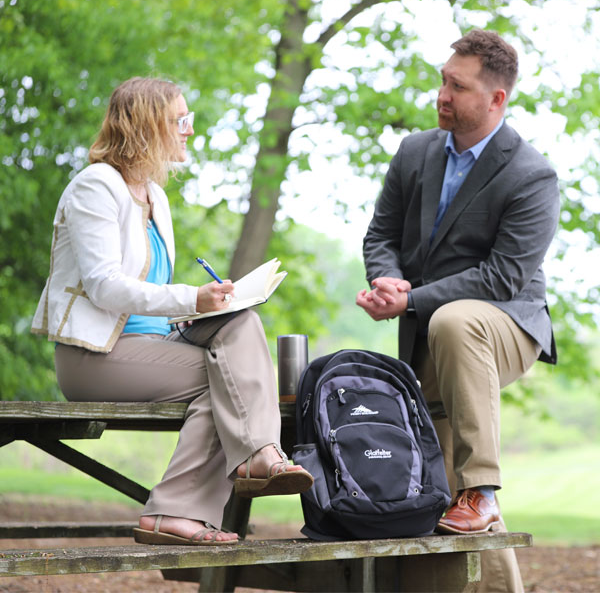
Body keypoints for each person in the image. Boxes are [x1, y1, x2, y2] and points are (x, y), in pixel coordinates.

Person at [31, 76, 313, 546]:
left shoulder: (156, 198)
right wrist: (190, 298)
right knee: (225, 379)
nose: (188, 130)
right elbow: (104, 287)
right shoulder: (95, 187)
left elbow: (150, 296)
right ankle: (248, 462)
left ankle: (197, 498)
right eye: (180, 120)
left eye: (189, 119)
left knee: (241, 322)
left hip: (148, 348)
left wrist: (200, 310)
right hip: (95, 358)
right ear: (145, 125)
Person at [356, 30, 559, 591]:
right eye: (443, 79)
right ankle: (482, 516)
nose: (442, 94)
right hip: (432, 329)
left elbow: (502, 278)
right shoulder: (415, 152)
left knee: (455, 318)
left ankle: (485, 486)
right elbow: (382, 234)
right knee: (436, 485)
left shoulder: (532, 176)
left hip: (507, 324)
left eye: (458, 87)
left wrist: (412, 300)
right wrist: (386, 277)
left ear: (496, 99)